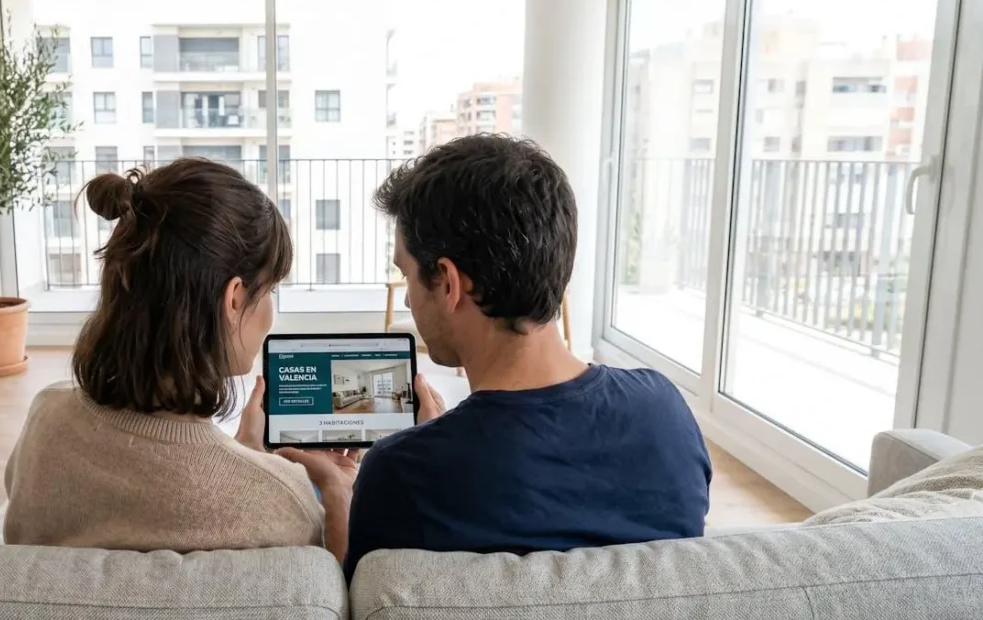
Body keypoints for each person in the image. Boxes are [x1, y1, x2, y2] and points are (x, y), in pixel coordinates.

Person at [280, 135, 712, 578]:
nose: (408, 299)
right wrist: (439, 439)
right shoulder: (665, 411)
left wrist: (337, 492)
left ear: (448, 283)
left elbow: (358, 599)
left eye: (405, 273)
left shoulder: (402, 472)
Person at [4, 158, 323, 551]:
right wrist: (336, 493)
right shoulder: (283, 499)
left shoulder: (45, 420)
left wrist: (245, 454)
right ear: (235, 299)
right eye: (270, 289)